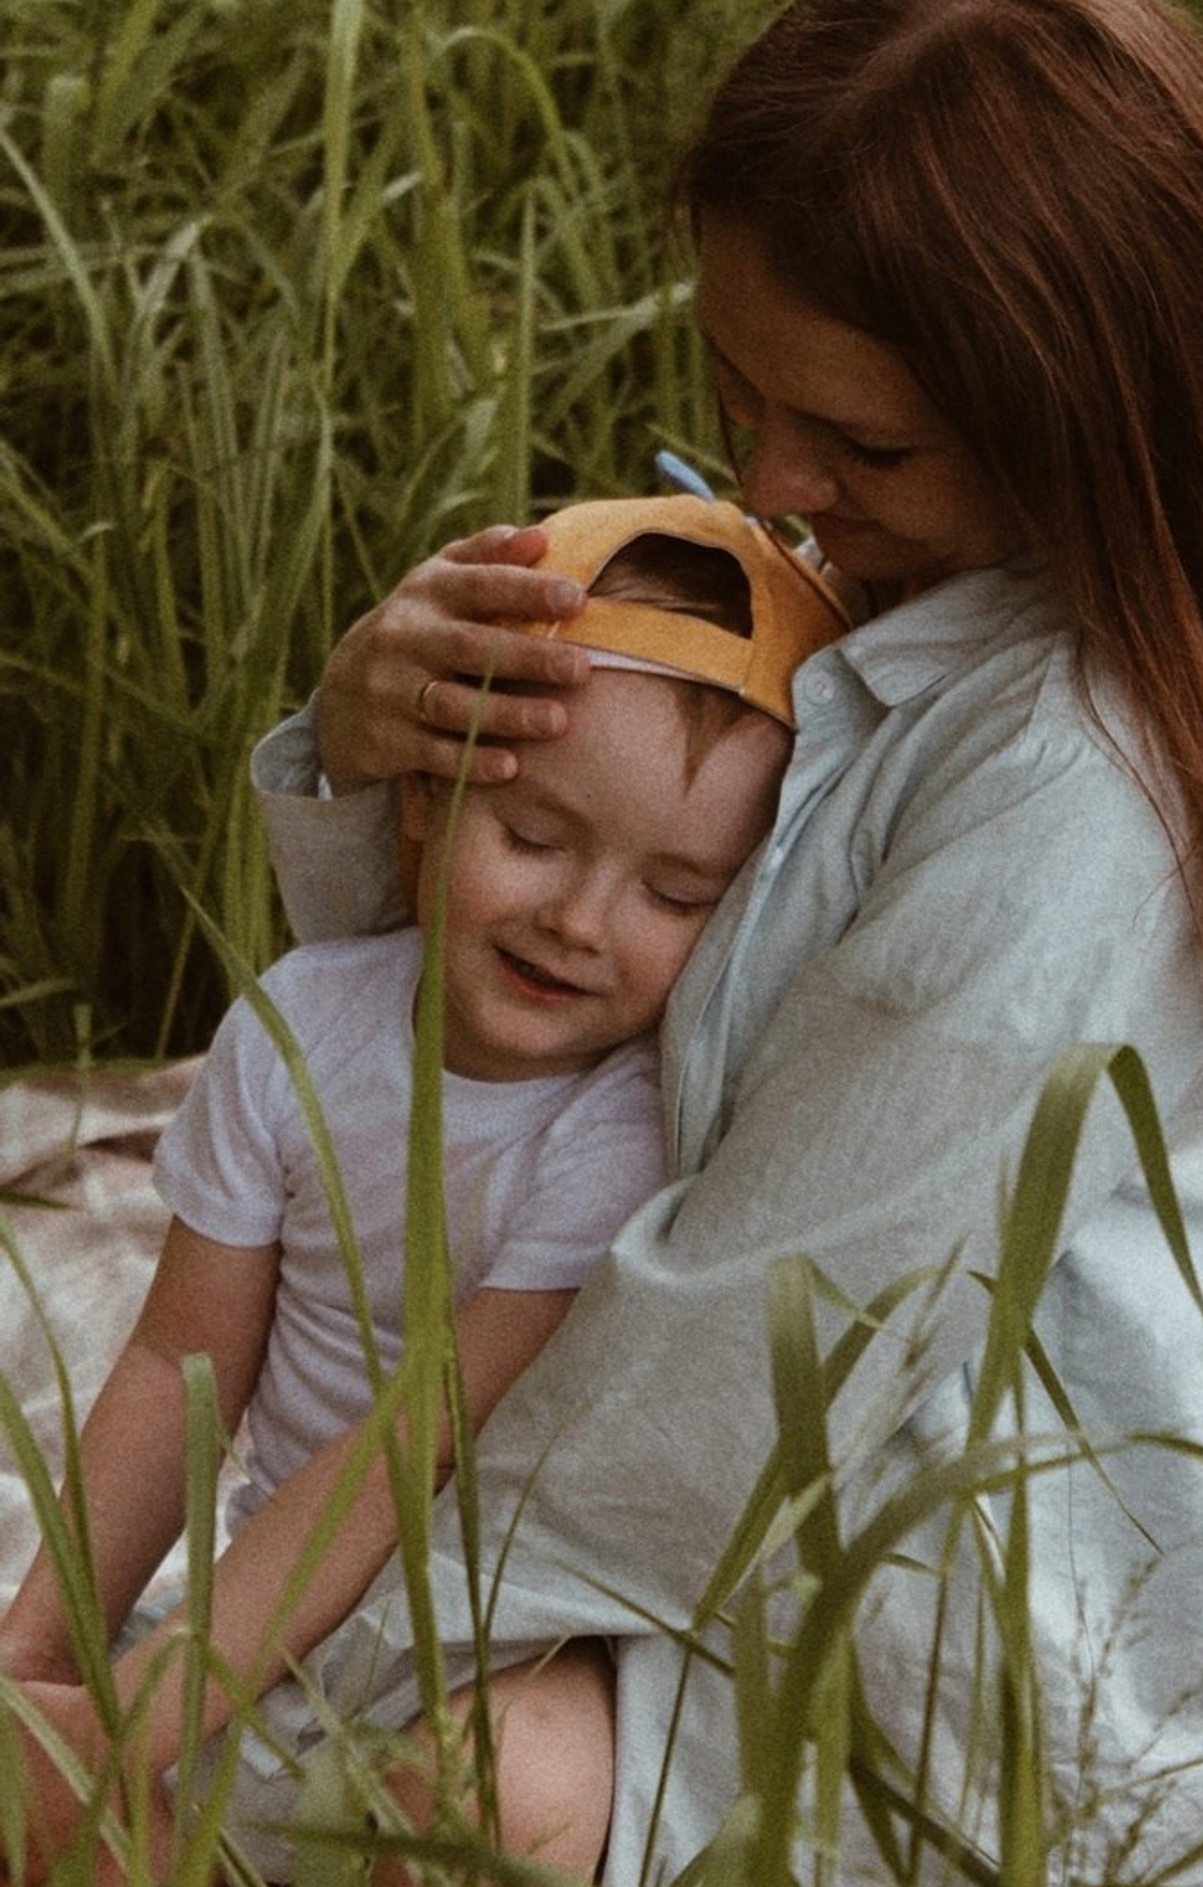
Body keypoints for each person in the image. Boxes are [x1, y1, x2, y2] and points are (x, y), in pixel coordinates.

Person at [226, 0, 1203, 1878]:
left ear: (1081, 417)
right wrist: (383, 755)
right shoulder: (890, 595)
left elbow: (747, 1337)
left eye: (863, 449)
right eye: (739, 395)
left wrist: (256, 1700)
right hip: (717, 1469)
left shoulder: (1073, 785)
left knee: (403, 1813)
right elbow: (514, 1024)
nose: (772, 488)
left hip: (950, 1602)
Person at [0, 496, 844, 1883]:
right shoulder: (297, 1030)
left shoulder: (622, 1133)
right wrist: (49, 1650)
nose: (580, 920)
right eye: (536, 835)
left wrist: (147, 1716)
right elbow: (175, 1357)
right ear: (421, 801)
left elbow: (418, 1443)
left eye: (677, 893)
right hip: (261, 1602)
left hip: (506, 1629)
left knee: (498, 1805)